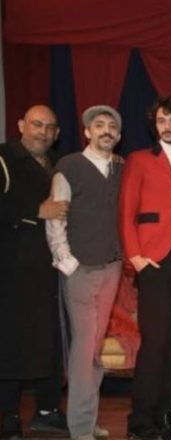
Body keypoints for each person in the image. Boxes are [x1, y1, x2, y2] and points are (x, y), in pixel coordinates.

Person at [119, 97, 171, 440]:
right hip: (152, 259)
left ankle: (166, 415)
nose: (167, 126)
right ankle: (140, 421)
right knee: (153, 342)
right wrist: (135, 257)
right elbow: (125, 211)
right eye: (162, 120)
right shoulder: (139, 160)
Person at [46, 105, 125, 440]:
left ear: (118, 135)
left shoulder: (121, 168)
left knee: (93, 346)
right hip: (80, 269)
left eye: (112, 126)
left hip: (112, 266)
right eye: (99, 125)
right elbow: (55, 216)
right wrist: (67, 261)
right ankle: (80, 428)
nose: (106, 130)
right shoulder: (70, 167)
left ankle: (87, 420)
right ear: (87, 132)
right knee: (84, 347)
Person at [0, 105, 69, 438]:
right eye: (36, 124)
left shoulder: (59, 164)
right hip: (12, 271)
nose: (43, 132)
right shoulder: (4, 158)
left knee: (51, 342)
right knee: (12, 343)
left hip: (51, 270)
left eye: (50, 127)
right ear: (21, 125)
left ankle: (47, 410)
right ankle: (8, 417)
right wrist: (35, 211)